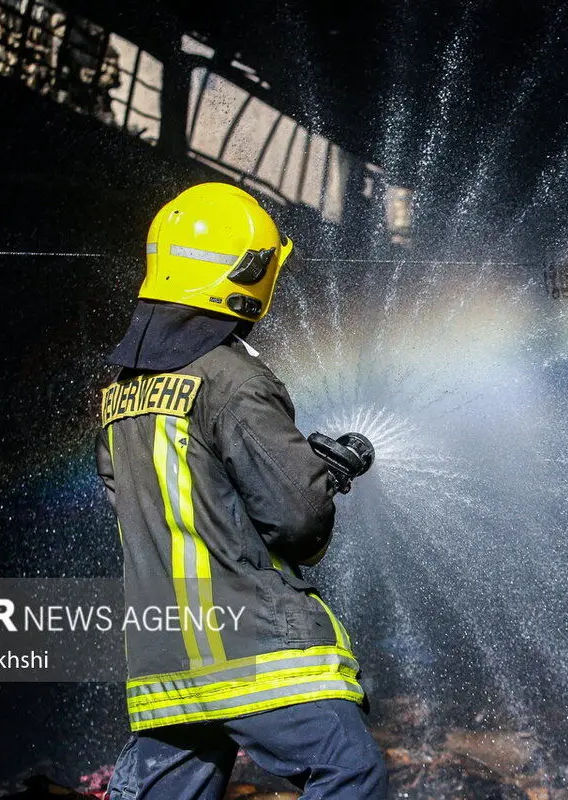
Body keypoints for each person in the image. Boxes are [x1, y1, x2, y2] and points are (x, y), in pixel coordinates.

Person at [94, 181, 387, 799]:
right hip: (250, 645)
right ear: (249, 273)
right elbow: (299, 525)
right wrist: (316, 479)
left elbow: (168, 508)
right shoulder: (234, 378)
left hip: (166, 660)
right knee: (350, 772)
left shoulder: (120, 394)